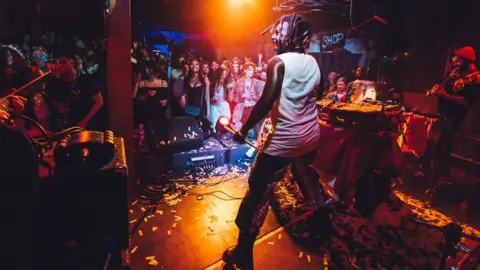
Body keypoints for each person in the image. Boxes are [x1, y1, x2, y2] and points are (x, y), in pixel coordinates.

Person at [222, 14, 329, 269]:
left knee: (257, 192)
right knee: (307, 179)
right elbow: (320, 92)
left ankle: (243, 254)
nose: (273, 36)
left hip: (284, 142)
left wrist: (244, 129)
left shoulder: (278, 62)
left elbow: (266, 101)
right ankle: (322, 226)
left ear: (291, 35)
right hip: (310, 138)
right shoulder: (314, 62)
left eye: (279, 31)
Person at [430, 46, 480, 186]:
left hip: (454, 115)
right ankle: (431, 171)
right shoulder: (455, 72)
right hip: (440, 111)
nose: (456, 63)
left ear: (467, 61)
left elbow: (467, 102)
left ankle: (443, 176)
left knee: (443, 144)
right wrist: (435, 89)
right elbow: (442, 84)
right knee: (433, 142)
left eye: (459, 61)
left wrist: (446, 96)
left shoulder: (476, 78)